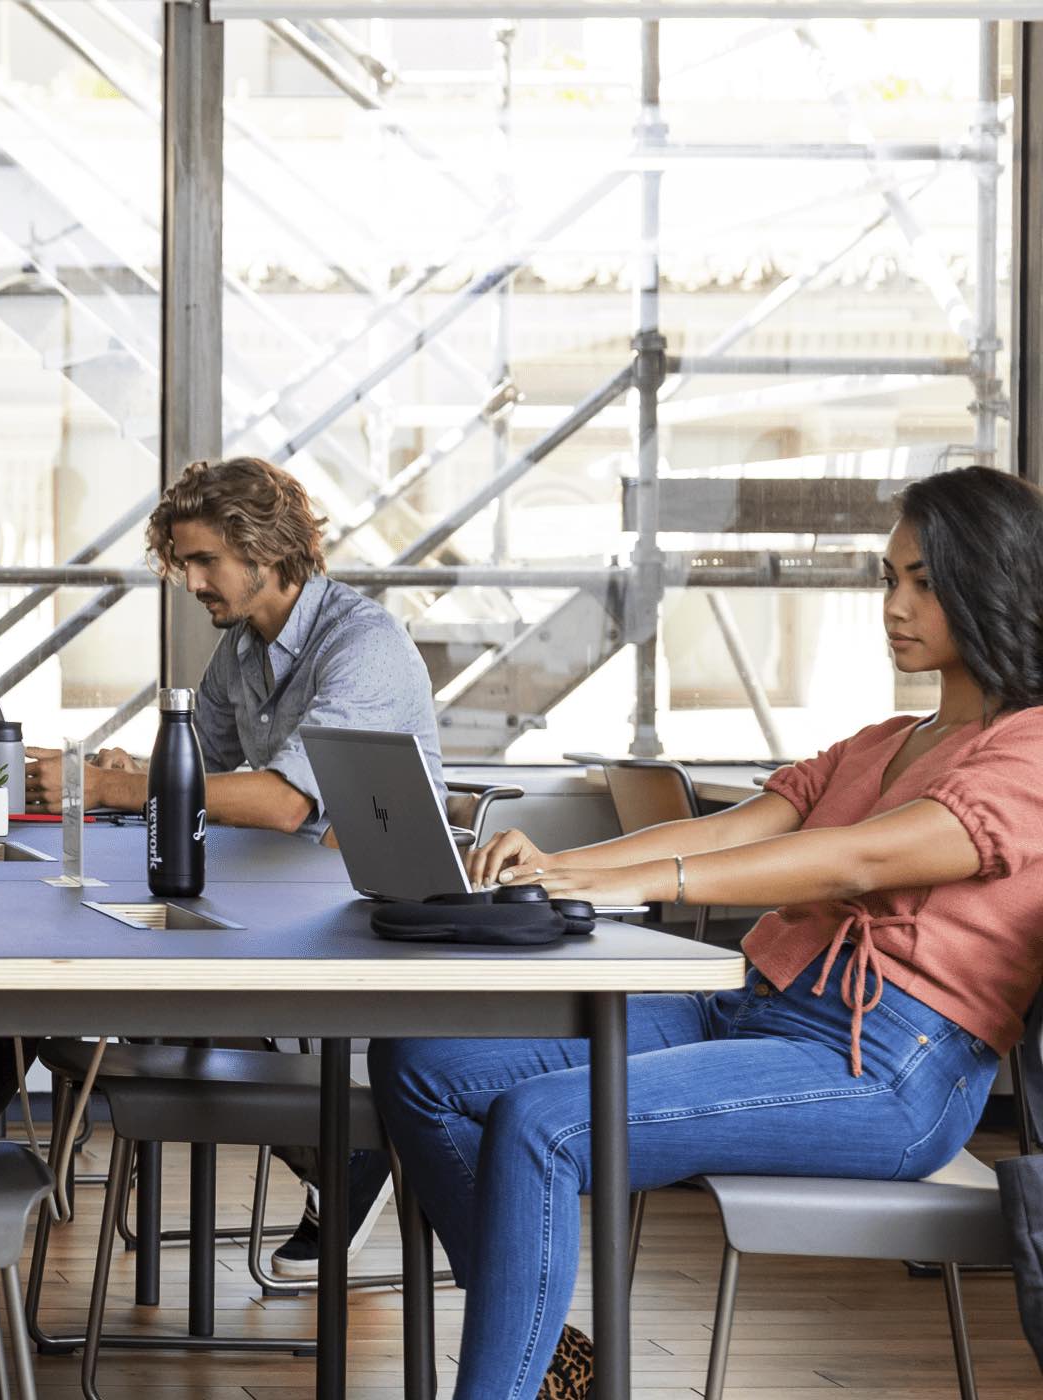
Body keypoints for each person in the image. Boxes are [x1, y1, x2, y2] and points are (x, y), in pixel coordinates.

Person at [379, 465, 1043, 1400]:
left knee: (543, 1125)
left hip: (887, 1068)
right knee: (421, 1064)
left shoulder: (1033, 751)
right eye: (889, 578)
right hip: (755, 1008)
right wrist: (568, 864)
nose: (894, 605)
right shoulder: (888, 738)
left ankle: (501, 1385)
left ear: (993, 582)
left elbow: (852, 861)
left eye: (925, 582)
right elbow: (734, 826)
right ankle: (540, 1350)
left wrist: (626, 883)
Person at [0, 456, 434, 1273]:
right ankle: (337, 1161)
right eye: (182, 563)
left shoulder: (364, 644)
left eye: (204, 562)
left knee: (158, 969)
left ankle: (353, 1158)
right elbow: (206, 780)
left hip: (372, 902)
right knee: (112, 949)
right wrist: (126, 773)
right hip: (281, 891)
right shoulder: (242, 654)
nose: (190, 582)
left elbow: (285, 803)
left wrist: (109, 784)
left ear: (265, 549)